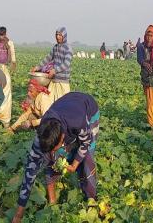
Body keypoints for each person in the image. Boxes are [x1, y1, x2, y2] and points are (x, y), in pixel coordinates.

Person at [12, 92, 99, 222]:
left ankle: (91, 200)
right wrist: (18, 214)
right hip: (66, 106)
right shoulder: (41, 136)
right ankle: (52, 201)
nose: (53, 151)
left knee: (87, 158)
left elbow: (86, 142)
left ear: (62, 137)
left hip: (88, 109)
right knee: (51, 158)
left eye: (56, 146)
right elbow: (29, 173)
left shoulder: (78, 122)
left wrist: (75, 164)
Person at [31, 27, 72, 103]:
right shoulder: (55, 47)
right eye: (56, 35)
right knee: (50, 102)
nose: (57, 37)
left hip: (63, 81)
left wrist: (54, 70)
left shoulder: (68, 48)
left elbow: (67, 63)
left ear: (64, 36)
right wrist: (38, 67)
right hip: (54, 80)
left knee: (63, 103)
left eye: (60, 35)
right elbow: (48, 58)